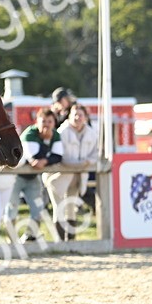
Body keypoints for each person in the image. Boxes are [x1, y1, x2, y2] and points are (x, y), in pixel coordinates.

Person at [8, 108, 62, 242]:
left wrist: (46, 160)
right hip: (17, 176)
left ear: (54, 123)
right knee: (12, 207)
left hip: (33, 177)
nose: (46, 125)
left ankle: (29, 236)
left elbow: (58, 156)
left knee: (38, 208)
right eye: (43, 121)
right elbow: (34, 158)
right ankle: (11, 240)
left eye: (50, 121)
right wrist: (47, 149)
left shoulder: (55, 135)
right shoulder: (30, 134)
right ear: (37, 121)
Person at [46, 103, 98, 240]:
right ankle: (59, 241)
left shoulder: (92, 133)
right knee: (58, 207)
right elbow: (60, 156)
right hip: (58, 176)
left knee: (71, 206)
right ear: (69, 116)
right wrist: (81, 164)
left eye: (80, 115)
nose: (77, 117)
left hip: (78, 177)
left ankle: (71, 241)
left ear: (85, 117)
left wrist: (87, 162)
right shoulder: (61, 132)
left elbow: (96, 153)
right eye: (74, 114)